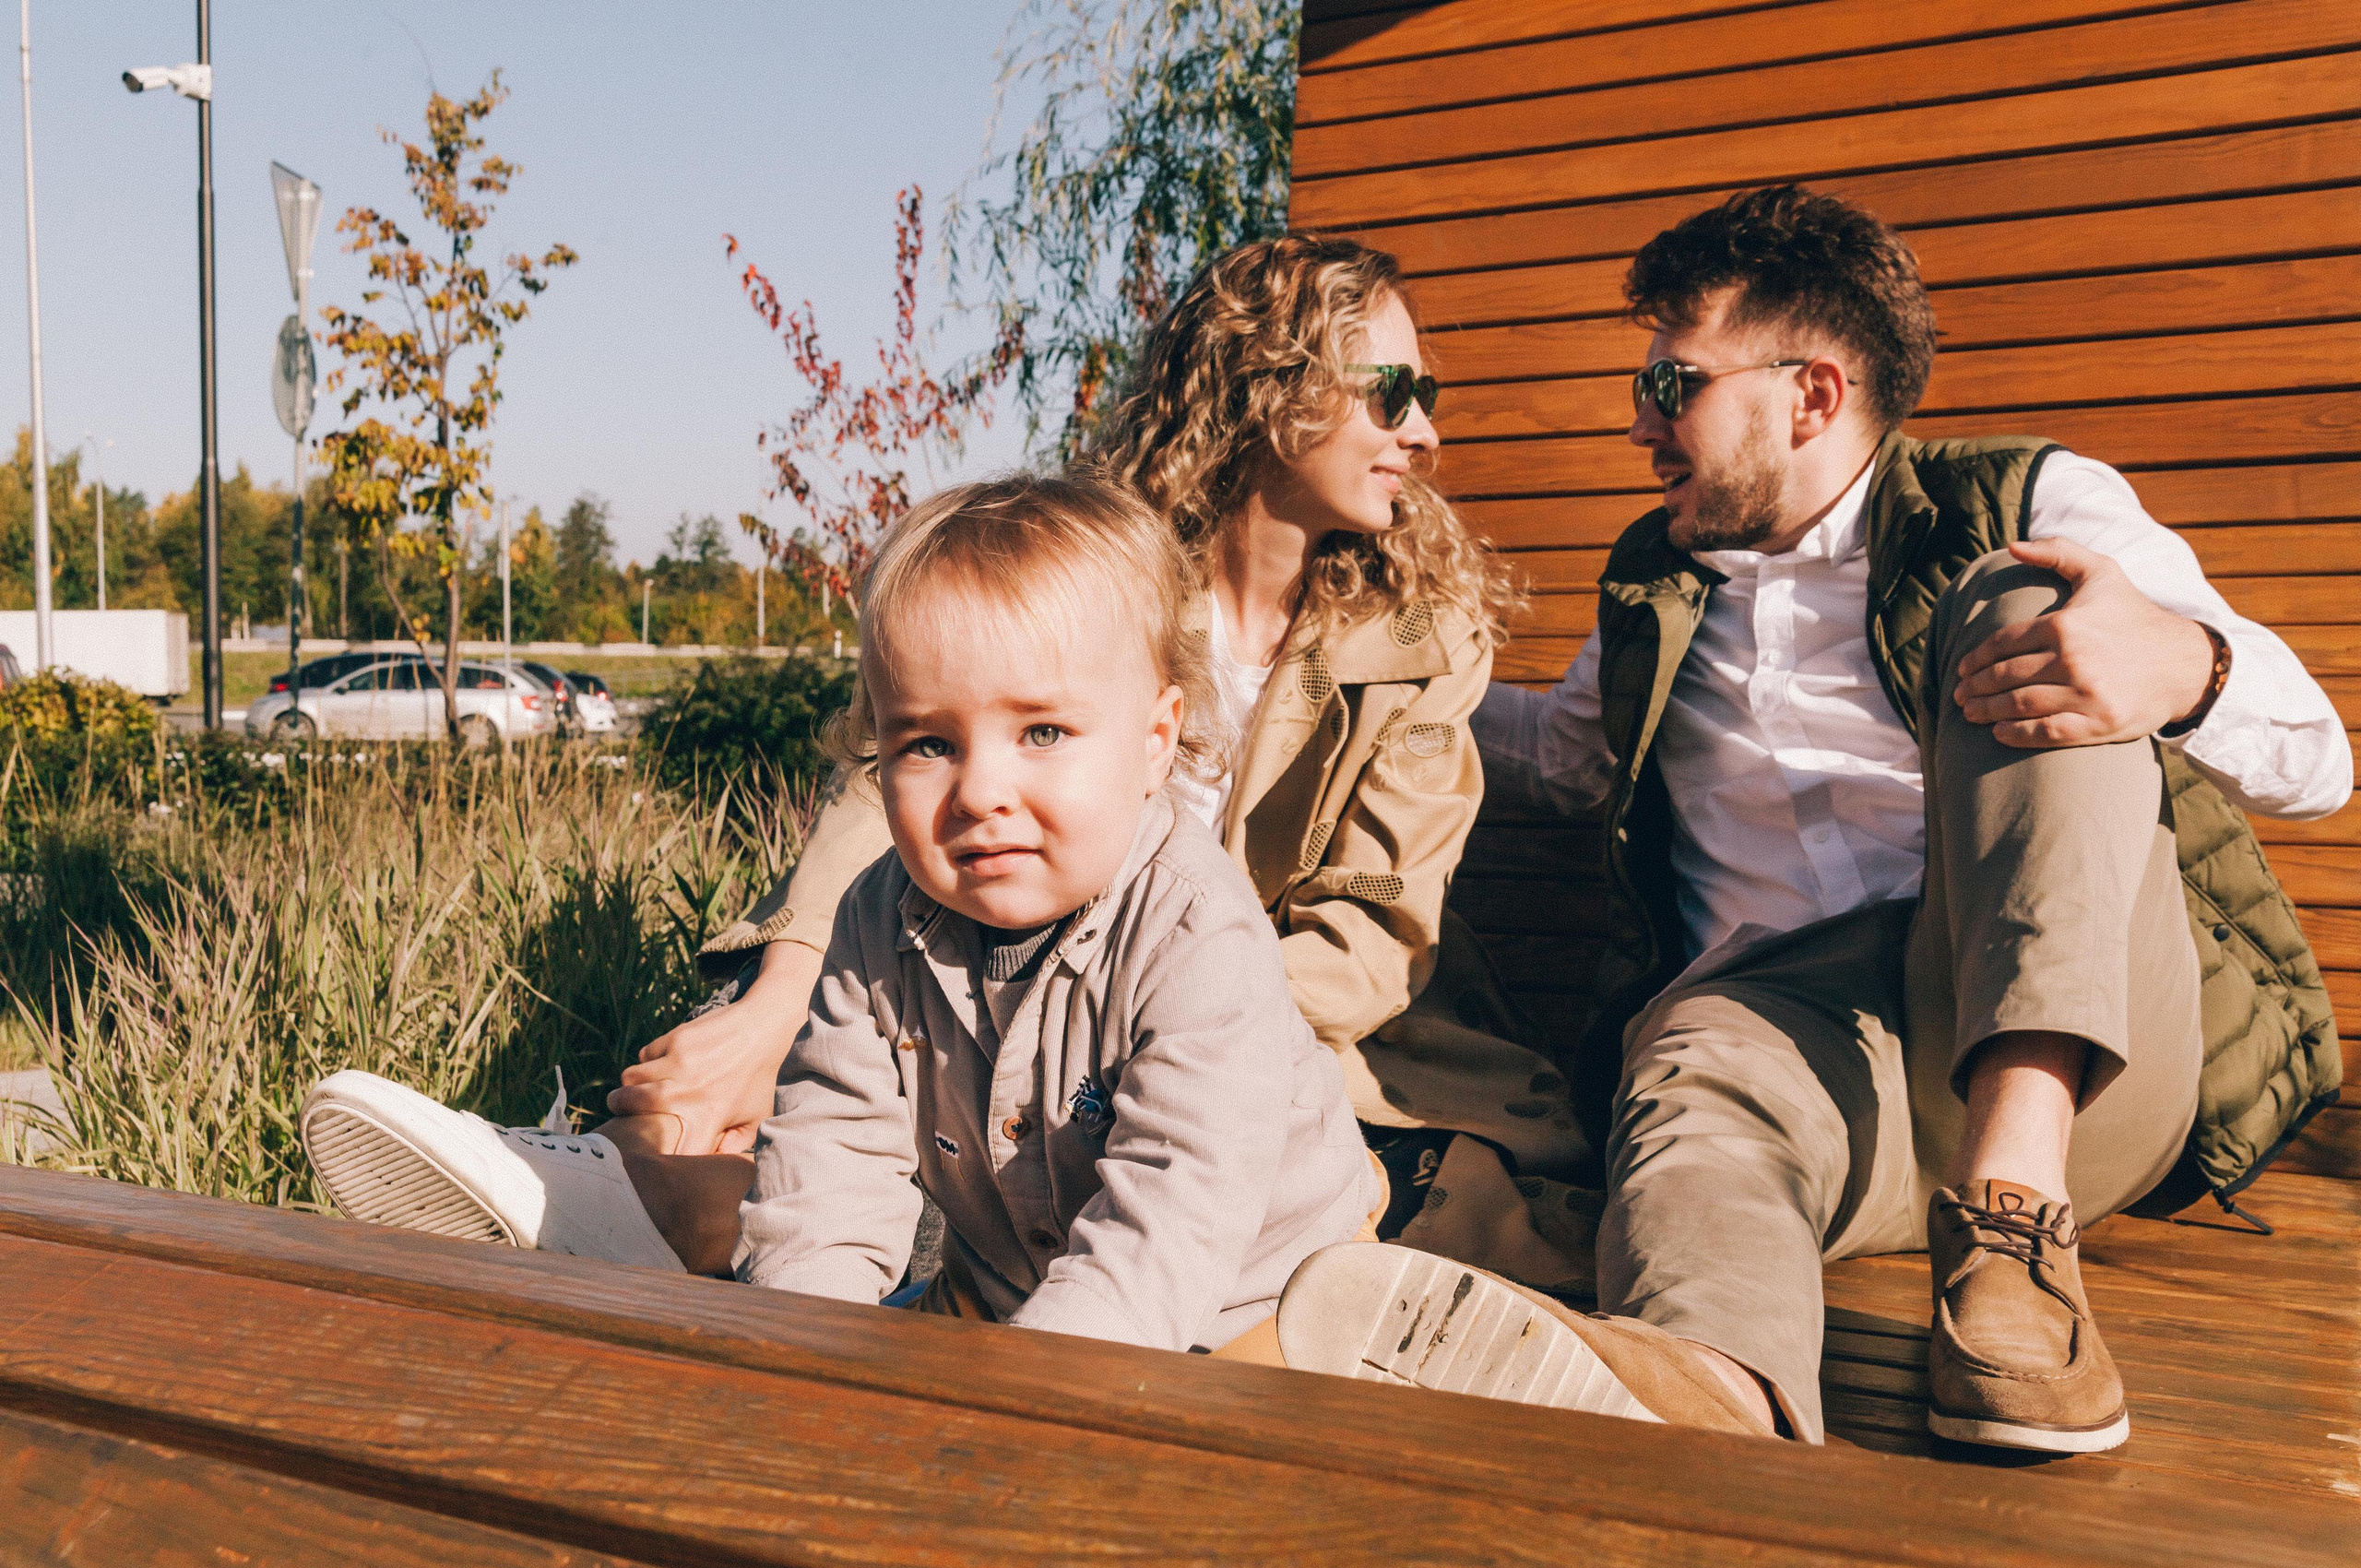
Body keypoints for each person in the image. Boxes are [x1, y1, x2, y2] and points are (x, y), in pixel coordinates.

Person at [1274, 184, 2350, 1450]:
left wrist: (2183, 666)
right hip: (1814, 1077)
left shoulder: (2028, 500)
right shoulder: (1656, 580)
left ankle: (2012, 1235)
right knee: (1694, 1055)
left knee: (2030, 615)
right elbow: (1559, 757)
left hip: (2086, 1068)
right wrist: (1307, 669)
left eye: (1672, 385)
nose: (1638, 422)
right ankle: (1709, 1394)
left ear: (1813, 396)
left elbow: (2318, 758)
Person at [302, 232, 1584, 1292]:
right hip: (1003, 959)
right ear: (1270, 385)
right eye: (1392, 391)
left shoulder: (1422, 637)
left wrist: (1096, 1027)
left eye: (1427, 397)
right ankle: (653, 1188)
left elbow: (1369, 943)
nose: (1424, 434)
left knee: (1020, 1111)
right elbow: (897, 776)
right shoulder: (1093, 572)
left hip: (1264, 1042)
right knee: (857, 1016)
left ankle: (648, 1203)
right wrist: (782, 989)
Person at [307, 475, 1382, 1351]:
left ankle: (1399, 1343)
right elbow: (833, 1152)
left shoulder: (1195, 937)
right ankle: (632, 1219)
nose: (981, 790)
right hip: (1006, 1284)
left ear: (1154, 742)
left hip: (1246, 1295)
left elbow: (1175, 1214)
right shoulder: (882, 921)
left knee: (1247, 1437)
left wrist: (1040, 1399)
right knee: (819, 1380)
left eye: (1043, 734)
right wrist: (811, 1349)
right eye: (929, 744)